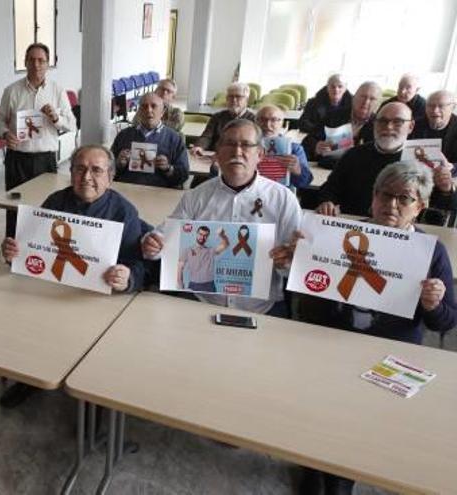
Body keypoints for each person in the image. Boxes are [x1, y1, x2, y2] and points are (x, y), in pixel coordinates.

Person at [275, 161, 457, 494]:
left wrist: (434, 303)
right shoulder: (337, 236)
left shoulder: (432, 251)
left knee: (360, 419)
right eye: (384, 195)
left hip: (388, 351)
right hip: (328, 341)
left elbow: (446, 321)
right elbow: (305, 296)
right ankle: (311, 465)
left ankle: (343, 473)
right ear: (372, 198)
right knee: (315, 407)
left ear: (421, 206)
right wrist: (295, 263)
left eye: (404, 198)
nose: (391, 205)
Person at [0, 144, 152, 407]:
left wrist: (128, 277)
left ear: (110, 176)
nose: (87, 177)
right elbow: (31, 248)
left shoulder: (124, 212)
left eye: (96, 170)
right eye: (79, 169)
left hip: (98, 300)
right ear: (70, 172)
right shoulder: (56, 201)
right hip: (53, 291)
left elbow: (141, 265)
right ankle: (30, 379)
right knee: (31, 326)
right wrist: (14, 251)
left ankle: (95, 402)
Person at [143, 119, 301, 316]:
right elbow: (164, 238)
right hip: (201, 301)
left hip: (262, 308)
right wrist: (152, 244)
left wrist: (289, 261)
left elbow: (297, 265)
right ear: (217, 153)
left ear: (260, 154)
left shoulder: (283, 199)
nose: (237, 152)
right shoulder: (196, 196)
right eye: (229, 144)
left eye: (246, 145)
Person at [316, 101, 457, 216]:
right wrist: (327, 202)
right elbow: (330, 189)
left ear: (411, 126)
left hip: (405, 234)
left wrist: (446, 189)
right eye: (382, 121)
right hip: (355, 229)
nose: (388, 127)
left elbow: (445, 209)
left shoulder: (426, 158)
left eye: (398, 122)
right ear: (374, 124)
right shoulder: (354, 155)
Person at [0, 43, 76, 235]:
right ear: (25, 62)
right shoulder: (11, 91)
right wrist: (5, 133)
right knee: (15, 208)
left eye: (41, 60)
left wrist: (56, 117)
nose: (36, 64)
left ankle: (42, 251)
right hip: (17, 160)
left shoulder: (57, 90)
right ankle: (13, 254)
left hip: (45, 160)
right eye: (32, 60)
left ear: (48, 64)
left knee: (46, 209)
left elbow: (72, 124)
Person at [111, 92, 189, 188]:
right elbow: (106, 170)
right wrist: (118, 164)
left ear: (162, 112)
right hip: (127, 189)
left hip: (160, 193)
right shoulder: (124, 135)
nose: (148, 110)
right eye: (144, 106)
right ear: (139, 111)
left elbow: (184, 174)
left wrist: (168, 169)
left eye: (154, 106)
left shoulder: (175, 138)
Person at [301, 81, 380, 167]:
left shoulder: (379, 125)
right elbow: (307, 141)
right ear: (354, 97)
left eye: (372, 99)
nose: (366, 102)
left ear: (377, 104)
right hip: (324, 169)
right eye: (363, 96)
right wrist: (316, 147)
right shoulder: (334, 116)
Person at [256, 104, 313, 188]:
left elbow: (305, 182)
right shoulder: (245, 145)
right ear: (255, 122)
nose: (268, 124)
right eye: (263, 119)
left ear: (281, 123)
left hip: (281, 194)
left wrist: (297, 169)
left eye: (274, 120)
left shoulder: (294, 148)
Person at [191, 82, 255, 156]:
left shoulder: (253, 120)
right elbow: (207, 136)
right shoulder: (217, 117)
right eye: (230, 96)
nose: (234, 100)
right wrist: (199, 146)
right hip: (216, 156)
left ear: (246, 100)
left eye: (238, 96)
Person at [297, 74, 353, 142]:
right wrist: (323, 132)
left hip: (343, 141)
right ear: (327, 88)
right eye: (332, 86)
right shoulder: (313, 103)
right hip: (317, 140)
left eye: (340, 86)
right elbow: (302, 124)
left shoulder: (353, 104)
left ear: (345, 88)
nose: (336, 89)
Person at [409, 89, 457, 163]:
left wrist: (452, 168)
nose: (435, 110)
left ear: (453, 107)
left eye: (441, 106)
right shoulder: (414, 125)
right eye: (430, 106)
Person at [177, 225, 229, 291]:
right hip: (194, 285)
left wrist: (222, 235)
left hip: (209, 286)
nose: (202, 237)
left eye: (205, 235)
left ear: (207, 237)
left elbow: (225, 245)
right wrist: (181, 287)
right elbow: (180, 268)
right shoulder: (187, 250)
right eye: (200, 234)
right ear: (197, 234)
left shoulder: (211, 250)